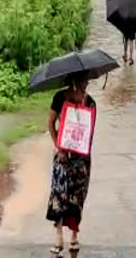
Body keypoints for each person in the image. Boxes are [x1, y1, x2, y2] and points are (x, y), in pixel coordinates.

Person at [46, 73, 97, 256]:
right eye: (83, 80)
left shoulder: (90, 103)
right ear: (74, 81)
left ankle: (74, 235)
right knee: (59, 195)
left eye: (87, 81)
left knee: (78, 196)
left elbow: (88, 132)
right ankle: (58, 237)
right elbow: (50, 123)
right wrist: (59, 148)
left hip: (81, 157)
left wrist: (81, 106)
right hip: (62, 154)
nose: (86, 84)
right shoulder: (60, 98)